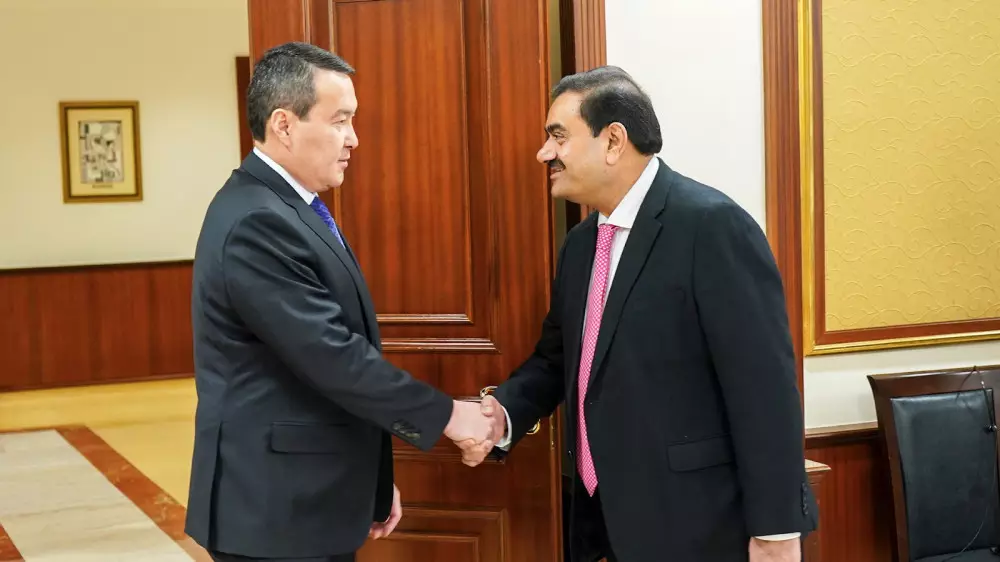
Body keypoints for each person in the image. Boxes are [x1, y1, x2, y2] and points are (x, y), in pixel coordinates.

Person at [462, 66, 818, 561]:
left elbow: (765, 389)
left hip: (699, 528)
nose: (545, 153)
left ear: (613, 140)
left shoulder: (712, 226)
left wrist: (777, 531)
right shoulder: (581, 244)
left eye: (558, 136)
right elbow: (557, 360)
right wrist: (501, 413)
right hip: (601, 523)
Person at [184, 42, 494, 562]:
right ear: (284, 125)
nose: (353, 138)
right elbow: (332, 356)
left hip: (308, 500)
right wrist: (450, 417)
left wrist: (369, 480)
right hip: (274, 515)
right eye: (340, 121)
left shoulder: (287, 207)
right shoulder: (258, 221)